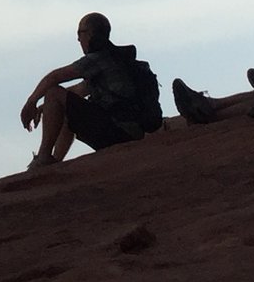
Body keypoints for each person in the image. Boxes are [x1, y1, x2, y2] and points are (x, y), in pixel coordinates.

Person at [19, 12, 164, 170]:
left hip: (116, 131)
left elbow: (54, 78)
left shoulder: (98, 59)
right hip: (131, 132)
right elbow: (77, 91)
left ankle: (44, 158)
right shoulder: (118, 61)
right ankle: (54, 162)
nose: (78, 39)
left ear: (90, 34)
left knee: (53, 92)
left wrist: (31, 102)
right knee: (66, 106)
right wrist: (46, 107)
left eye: (79, 33)